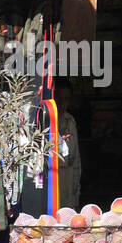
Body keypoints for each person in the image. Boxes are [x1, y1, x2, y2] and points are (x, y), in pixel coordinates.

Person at [54, 77, 82, 209]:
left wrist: (76, 190)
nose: (61, 103)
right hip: (49, 185)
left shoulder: (69, 121)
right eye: (58, 98)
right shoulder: (41, 120)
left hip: (67, 186)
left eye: (66, 99)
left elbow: (75, 159)